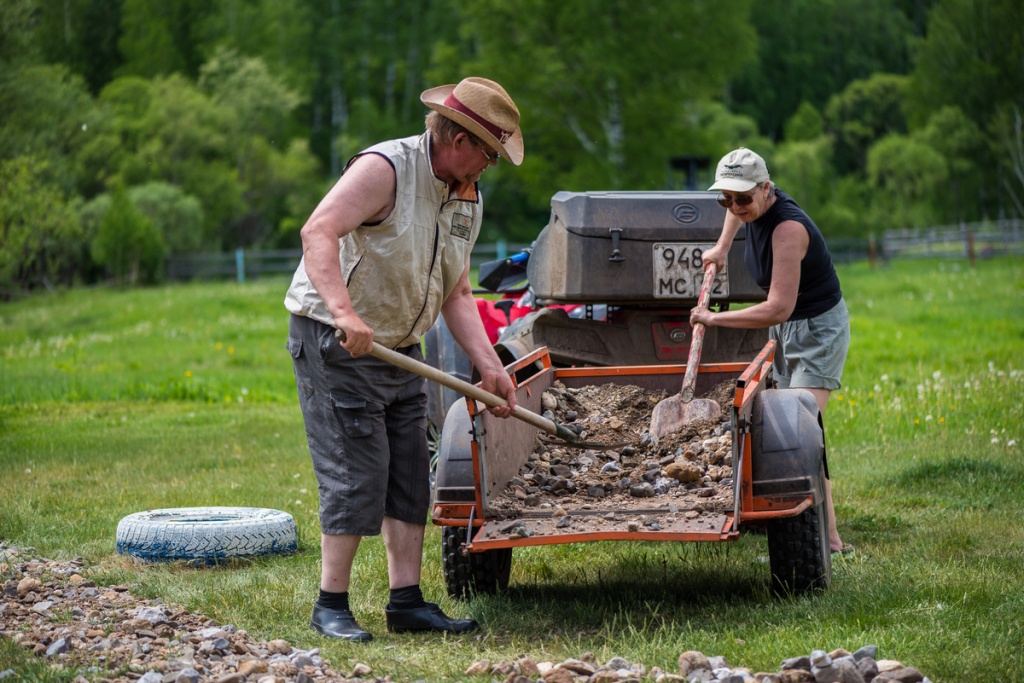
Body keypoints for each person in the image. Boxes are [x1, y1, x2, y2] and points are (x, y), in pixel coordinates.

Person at [284, 77, 523, 641]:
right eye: (489, 153)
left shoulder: (467, 197)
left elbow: (458, 292)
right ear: (459, 138)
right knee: (356, 471)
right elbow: (317, 231)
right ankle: (331, 605)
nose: (489, 165)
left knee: (413, 472)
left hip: (401, 348)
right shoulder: (385, 169)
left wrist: (489, 364)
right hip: (337, 339)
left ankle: (407, 602)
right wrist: (344, 314)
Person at [690, 147, 851, 554]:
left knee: (801, 429)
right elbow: (734, 208)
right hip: (787, 328)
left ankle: (829, 539)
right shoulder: (746, 203)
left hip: (817, 329)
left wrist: (713, 319)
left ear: (767, 188)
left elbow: (779, 306)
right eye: (726, 198)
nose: (734, 206)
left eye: (743, 198)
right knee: (787, 425)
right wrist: (722, 248)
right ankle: (793, 516)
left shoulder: (788, 230)